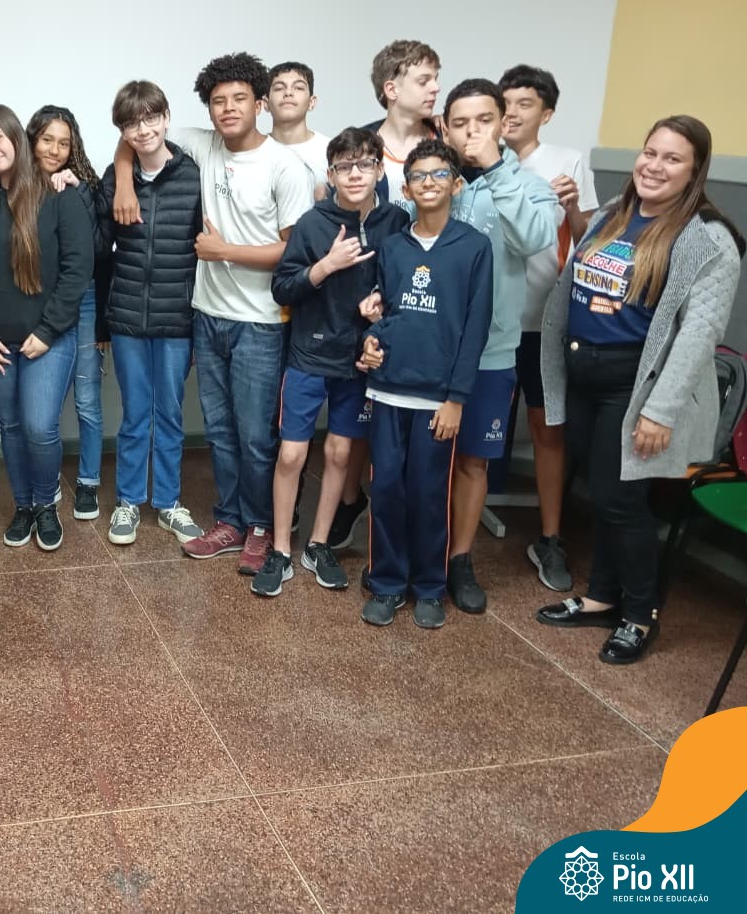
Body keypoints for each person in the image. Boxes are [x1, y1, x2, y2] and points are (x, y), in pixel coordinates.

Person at [537, 115, 745, 664]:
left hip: (634, 389)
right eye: (650, 152)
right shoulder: (614, 212)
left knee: (621, 500)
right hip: (584, 377)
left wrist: (661, 410)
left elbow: (699, 334)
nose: (654, 166)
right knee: (603, 494)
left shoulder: (709, 239)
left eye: (672, 159)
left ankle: (639, 613)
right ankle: (603, 596)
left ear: (695, 170)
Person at [112, 52, 313, 575]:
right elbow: (135, 135)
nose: (228, 109)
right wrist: (124, 180)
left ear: (260, 103)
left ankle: (261, 527)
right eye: (218, 101)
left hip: (260, 322)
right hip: (206, 315)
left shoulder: (284, 166)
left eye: (239, 99)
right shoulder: (203, 145)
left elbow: (294, 252)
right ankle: (230, 521)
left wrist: (225, 251)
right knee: (221, 432)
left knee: (255, 436)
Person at [252, 128, 410, 597]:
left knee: (341, 453)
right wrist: (326, 265)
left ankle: (318, 544)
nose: (355, 174)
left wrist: (379, 303)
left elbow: (400, 285)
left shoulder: (395, 222)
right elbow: (283, 288)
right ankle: (281, 549)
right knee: (292, 454)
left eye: (364, 164)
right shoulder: (312, 223)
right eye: (344, 166)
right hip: (309, 354)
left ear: (379, 170)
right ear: (331, 174)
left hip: (360, 360)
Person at [357, 141, 494, 629]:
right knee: (386, 488)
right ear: (406, 188)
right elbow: (386, 313)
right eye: (418, 176)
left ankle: (431, 587)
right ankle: (388, 582)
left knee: (430, 492)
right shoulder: (393, 247)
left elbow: (475, 327)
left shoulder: (474, 247)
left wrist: (456, 399)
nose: (428, 183)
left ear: (456, 184)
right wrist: (371, 341)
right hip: (388, 390)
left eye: (439, 175)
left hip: (437, 399)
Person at [435, 78, 557, 615]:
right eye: (460, 123)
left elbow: (534, 239)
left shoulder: (529, 185)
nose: (472, 132)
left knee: (473, 462)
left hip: (491, 352)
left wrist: (495, 169)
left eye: (483, 121)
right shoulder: (432, 178)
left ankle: (460, 560)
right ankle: (418, 552)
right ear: (444, 127)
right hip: (429, 352)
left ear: (503, 122)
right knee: (420, 459)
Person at [0, 104, 93, 551]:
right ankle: (24, 505)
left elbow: (77, 270)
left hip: (48, 338)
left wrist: (48, 331)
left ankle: (46, 503)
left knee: (38, 426)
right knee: (11, 425)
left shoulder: (58, 195)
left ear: (16, 137)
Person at [498, 64, 599, 593]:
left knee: (546, 428)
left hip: (542, 321)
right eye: (506, 102)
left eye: (525, 104)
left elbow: (589, 243)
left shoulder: (567, 162)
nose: (512, 113)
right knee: (466, 423)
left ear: (547, 113)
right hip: (488, 322)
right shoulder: (480, 159)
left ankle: (551, 537)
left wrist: (574, 207)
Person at [97, 80, 204, 547]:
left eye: (150, 119)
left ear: (165, 118)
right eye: (131, 124)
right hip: (127, 317)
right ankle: (128, 501)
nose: (142, 130)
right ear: (122, 131)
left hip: (177, 317)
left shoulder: (193, 174)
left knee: (170, 413)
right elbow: (100, 247)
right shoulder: (115, 175)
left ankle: (168, 502)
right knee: (135, 413)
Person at [26, 105, 107, 521]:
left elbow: (99, 249)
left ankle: (89, 481)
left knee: (87, 397)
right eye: (47, 140)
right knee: (45, 404)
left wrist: (79, 192)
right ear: (31, 140)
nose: (54, 150)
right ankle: (48, 483)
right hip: (43, 303)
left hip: (85, 299)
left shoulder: (85, 185)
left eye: (63, 142)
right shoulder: (18, 186)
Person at [365, 40, 442, 210]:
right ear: (392, 90)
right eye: (423, 81)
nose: (436, 88)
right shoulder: (358, 145)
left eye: (435, 79)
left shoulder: (446, 137)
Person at [266, 61, 330, 200]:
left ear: (312, 102)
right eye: (279, 88)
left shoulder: (329, 151)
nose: (288, 93)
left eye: (299, 88)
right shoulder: (254, 150)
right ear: (266, 103)